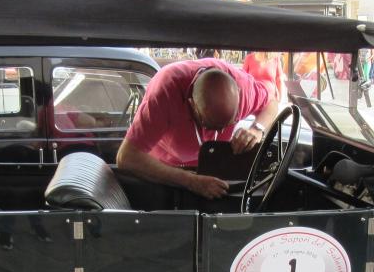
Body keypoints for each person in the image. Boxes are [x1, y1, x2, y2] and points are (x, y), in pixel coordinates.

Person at [116, 58, 277, 199]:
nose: (219, 133)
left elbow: (272, 102)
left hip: (210, 173)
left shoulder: (242, 86)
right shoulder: (165, 92)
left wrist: (257, 128)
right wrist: (189, 181)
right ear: (191, 104)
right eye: (210, 126)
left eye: (228, 124)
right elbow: (126, 157)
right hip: (166, 174)